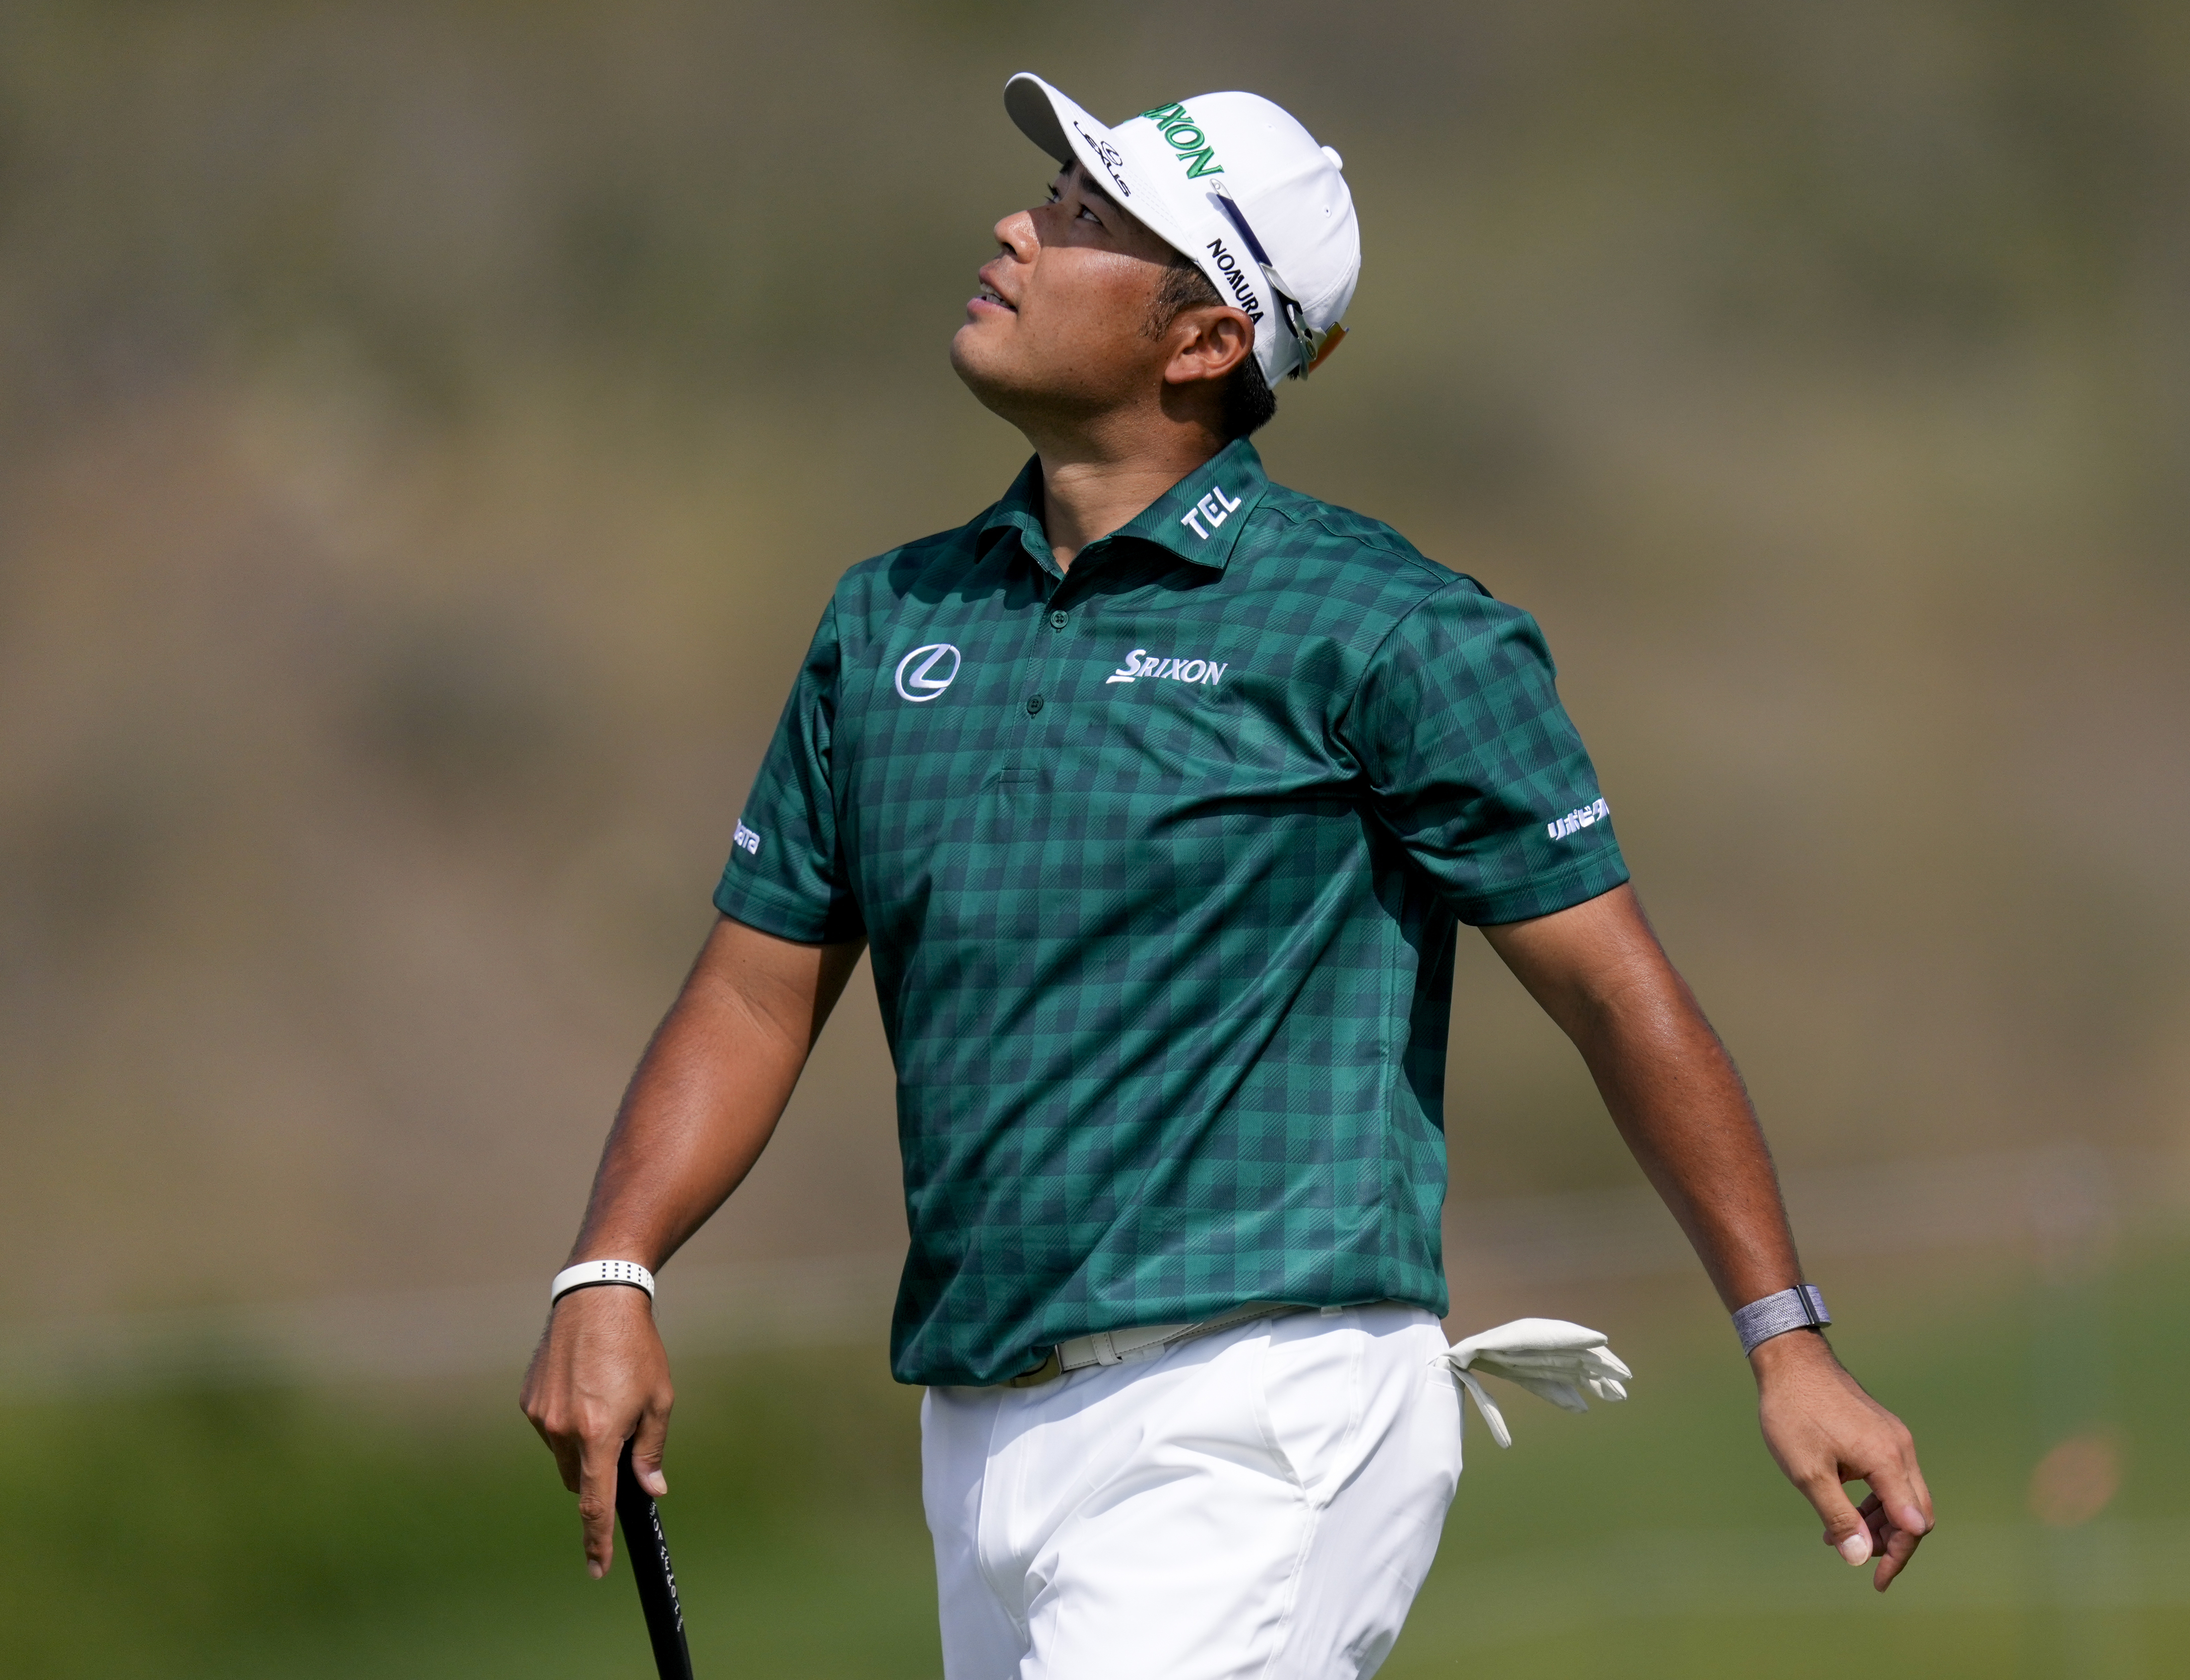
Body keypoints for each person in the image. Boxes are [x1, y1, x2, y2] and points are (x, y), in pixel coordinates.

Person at [521, 74, 1932, 1678]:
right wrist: (611, 1267)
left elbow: (1618, 992)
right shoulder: (887, 619)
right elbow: (753, 995)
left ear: (1202, 341)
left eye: (1084, 219)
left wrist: (1784, 1342)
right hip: (978, 1428)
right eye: (1052, 197)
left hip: (1262, 1408)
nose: (1018, 228)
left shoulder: (1388, 626)